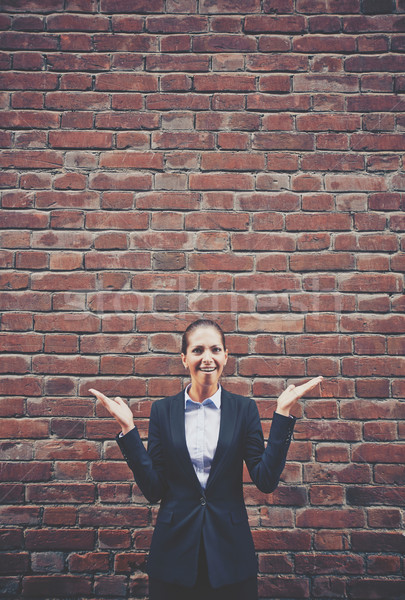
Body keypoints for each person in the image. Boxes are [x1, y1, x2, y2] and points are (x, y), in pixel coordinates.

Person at [89, 319, 322, 600]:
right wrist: (129, 430)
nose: (207, 358)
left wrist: (283, 414)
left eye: (215, 349)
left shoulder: (244, 409)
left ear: (225, 356)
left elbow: (266, 480)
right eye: (198, 350)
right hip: (173, 555)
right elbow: (153, 490)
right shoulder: (163, 411)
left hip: (231, 555)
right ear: (184, 358)